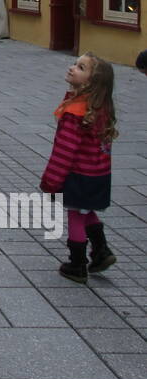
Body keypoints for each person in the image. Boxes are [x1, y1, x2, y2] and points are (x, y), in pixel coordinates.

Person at [39, 52, 118, 283]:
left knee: (75, 216)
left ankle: (77, 265)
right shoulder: (100, 107)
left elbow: (64, 152)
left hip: (80, 175)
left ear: (91, 82)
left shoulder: (76, 113)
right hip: (98, 175)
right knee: (87, 211)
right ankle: (101, 252)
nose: (73, 68)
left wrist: (51, 181)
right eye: (75, 64)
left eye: (81, 68)